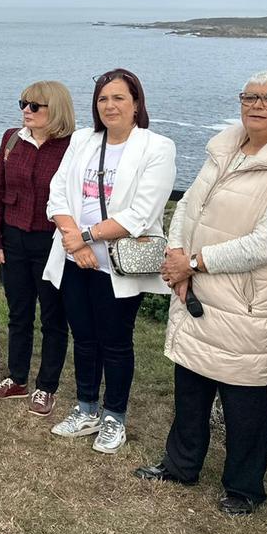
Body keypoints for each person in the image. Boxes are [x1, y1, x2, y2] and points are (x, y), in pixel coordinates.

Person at [134, 71, 267, 516]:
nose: (256, 105)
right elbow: (189, 207)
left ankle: (243, 488)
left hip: (249, 303)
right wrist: (177, 253)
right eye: (249, 96)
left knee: (246, 403)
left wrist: (193, 263)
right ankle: (180, 466)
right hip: (199, 288)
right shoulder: (224, 148)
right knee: (190, 386)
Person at [44, 68, 176, 453]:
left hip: (117, 264)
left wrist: (83, 238)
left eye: (119, 98)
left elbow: (140, 213)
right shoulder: (83, 140)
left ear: (136, 104)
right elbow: (57, 195)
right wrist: (75, 243)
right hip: (74, 259)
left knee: (116, 342)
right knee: (84, 338)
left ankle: (114, 417)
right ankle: (86, 408)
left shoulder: (156, 147)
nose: (110, 105)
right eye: (103, 98)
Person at [0, 81, 75, 417]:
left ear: (56, 110)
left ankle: (46, 387)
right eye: (24, 103)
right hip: (14, 239)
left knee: (53, 317)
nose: (26, 110)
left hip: (52, 242)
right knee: (18, 314)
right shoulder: (11, 140)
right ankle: (16, 379)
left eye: (35, 106)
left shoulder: (72, 146)